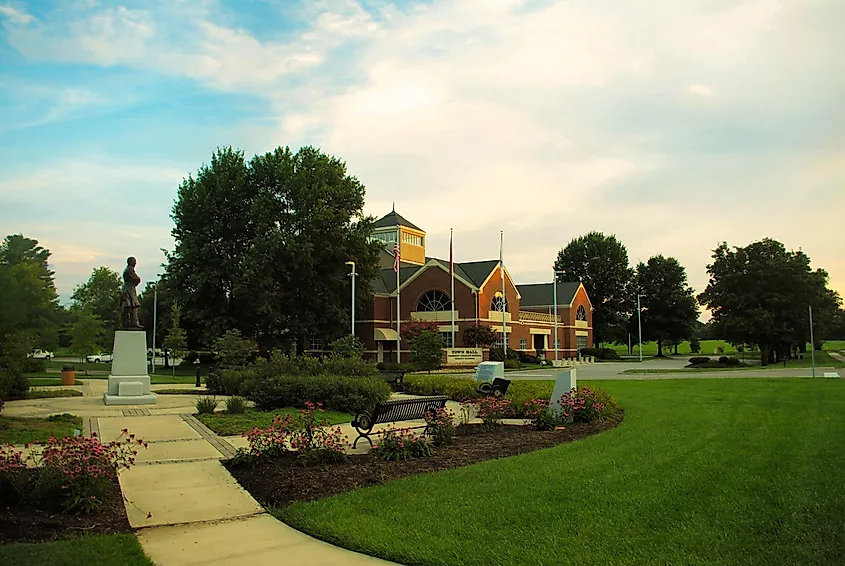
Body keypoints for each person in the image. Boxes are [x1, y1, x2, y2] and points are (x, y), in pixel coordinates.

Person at [121, 256, 143, 329]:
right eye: (134, 261)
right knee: (134, 305)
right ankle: (133, 322)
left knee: (129, 306)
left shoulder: (129, 269)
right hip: (129, 289)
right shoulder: (129, 270)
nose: (135, 263)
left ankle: (128, 322)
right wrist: (138, 280)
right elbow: (135, 278)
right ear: (130, 262)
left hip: (129, 289)